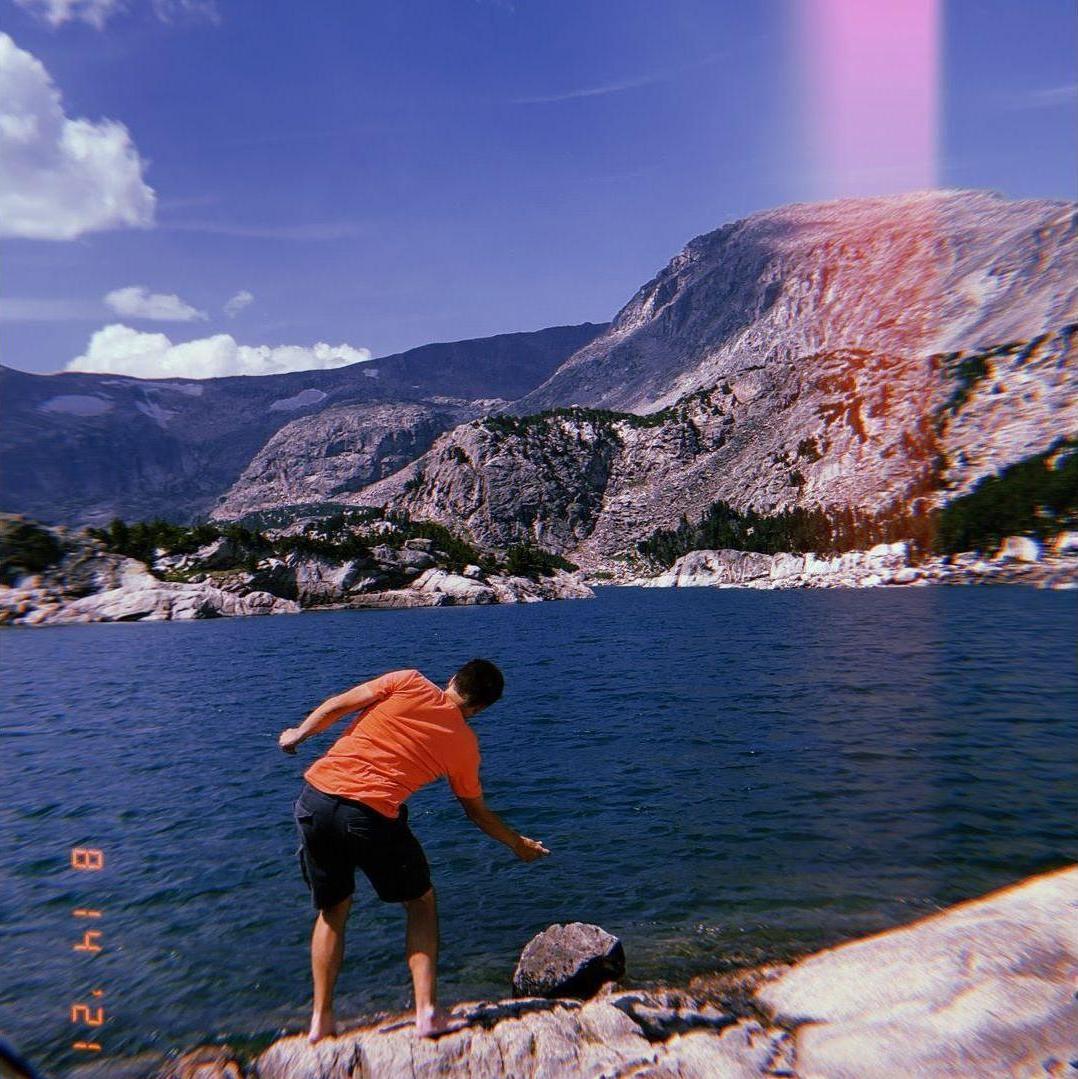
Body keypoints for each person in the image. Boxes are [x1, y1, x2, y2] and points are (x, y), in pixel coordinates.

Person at [278, 659, 550, 1043]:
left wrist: (298, 734)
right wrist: (517, 844)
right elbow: (476, 812)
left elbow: (338, 706)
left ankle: (321, 1021)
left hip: (315, 800)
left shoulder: (407, 681)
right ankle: (427, 1013)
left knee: (333, 909)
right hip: (368, 815)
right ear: (479, 708)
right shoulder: (464, 745)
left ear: (453, 679)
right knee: (421, 901)